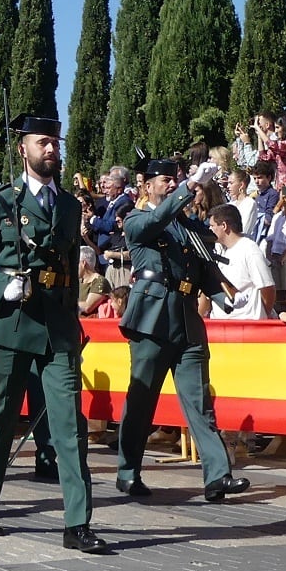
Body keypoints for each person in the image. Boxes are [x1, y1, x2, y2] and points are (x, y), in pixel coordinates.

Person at [0, 114, 107, 550]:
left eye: (55, 142)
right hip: (12, 323)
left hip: (57, 325)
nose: (51, 149)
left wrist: (74, 323)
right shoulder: (0, 201)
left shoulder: (71, 205)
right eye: (42, 143)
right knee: (0, 416)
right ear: (23, 149)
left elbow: (70, 272)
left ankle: (78, 524)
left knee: (69, 423)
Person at [111, 158, 248, 505]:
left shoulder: (189, 226)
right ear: (147, 186)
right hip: (152, 320)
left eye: (175, 180)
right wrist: (188, 189)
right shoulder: (137, 218)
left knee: (200, 404)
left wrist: (223, 297)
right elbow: (158, 220)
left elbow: (201, 270)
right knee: (142, 400)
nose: (171, 185)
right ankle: (128, 471)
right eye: (164, 181)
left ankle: (218, 476)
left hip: (186, 320)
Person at [208, 204, 274, 319]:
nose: (209, 229)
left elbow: (267, 288)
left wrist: (261, 314)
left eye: (212, 226)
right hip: (220, 325)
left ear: (224, 225)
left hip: (246, 326)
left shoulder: (249, 249)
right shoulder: (220, 251)